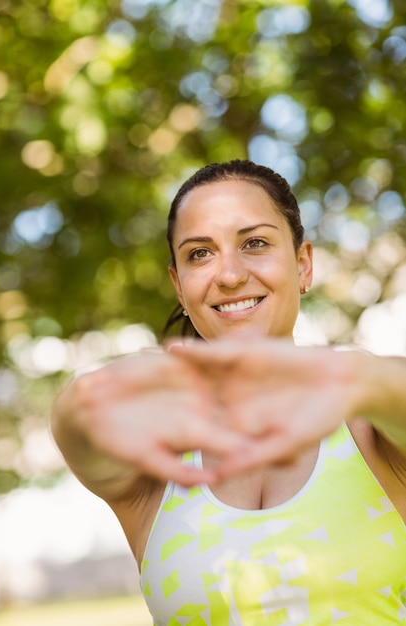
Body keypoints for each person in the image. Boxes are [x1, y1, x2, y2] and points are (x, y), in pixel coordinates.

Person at [52, 159, 406, 625]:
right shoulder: (156, 461)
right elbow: (77, 425)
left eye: (254, 243)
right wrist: (88, 396)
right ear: (179, 286)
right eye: (200, 253)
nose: (230, 275)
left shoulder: (371, 424)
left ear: (303, 264)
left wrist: (352, 373)